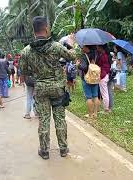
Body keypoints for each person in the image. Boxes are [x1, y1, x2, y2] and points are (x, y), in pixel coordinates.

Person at [20, 16, 75, 160]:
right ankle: (63, 148)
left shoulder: (26, 51)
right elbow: (72, 56)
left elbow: (24, 72)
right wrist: (72, 43)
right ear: (46, 28)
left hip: (41, 89)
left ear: (34, 31)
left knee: (44, 119)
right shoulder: (56, 46)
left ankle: (44, 150)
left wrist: (38, 74)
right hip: (57, 88)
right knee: (60, 118)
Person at [77, 45, 100, 119]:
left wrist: (78, 65)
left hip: (87, 78)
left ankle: (90, 114)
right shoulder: (96, 54)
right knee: (96, 96)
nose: (82, 48)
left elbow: (83, 67)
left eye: (83, 47)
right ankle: (95, 113)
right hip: (95, 78)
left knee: (89, 97)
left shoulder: (84, 56)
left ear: (87, 47)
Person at [96, 45, 111, 113]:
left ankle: (106, 109)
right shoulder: (104, 55)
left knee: (104, 93)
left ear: (101, 47)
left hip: (103, 75)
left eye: (98, 47)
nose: (97, 48)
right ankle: (106, 108)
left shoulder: (103, 56)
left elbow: (104, 67)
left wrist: (101, 75)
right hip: (105, 75)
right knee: (104, 92)